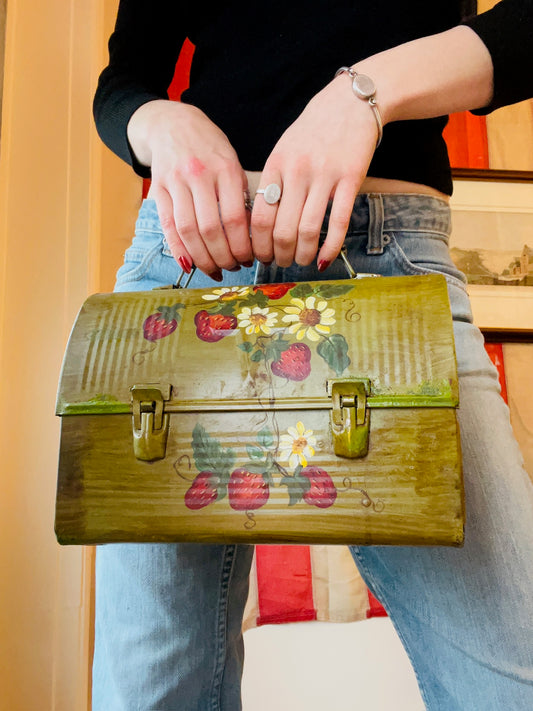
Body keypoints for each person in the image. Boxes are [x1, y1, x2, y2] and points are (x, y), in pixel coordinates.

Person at [92, 1, 533, 708]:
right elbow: (122, 80)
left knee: (511, 683)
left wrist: (364, 94)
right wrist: (163, 123)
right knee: (150, 691)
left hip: (388, 260)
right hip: (188, 258)